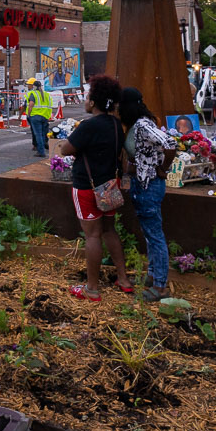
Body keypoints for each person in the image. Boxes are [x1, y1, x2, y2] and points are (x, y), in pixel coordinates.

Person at [63, 74, 132, 301]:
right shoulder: (115, 125)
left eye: (87, 96)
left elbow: (65, 149)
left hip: (87, 187)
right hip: (109, 186)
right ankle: (123, 279)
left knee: (92, 235)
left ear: (93, 102)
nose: (85, 100)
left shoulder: (88, 125)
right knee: (109, 230)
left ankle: (91, 288)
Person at [118, 88, 176, 302]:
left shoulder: (142, 124)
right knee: (150, 234)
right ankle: (153, 276)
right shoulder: (139, 124)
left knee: (155, 236)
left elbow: (170, 143)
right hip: (143, 183)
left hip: (150, 184)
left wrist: (163, 169)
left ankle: (161, 286)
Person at [23, 78, 53, 158]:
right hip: (45, 116)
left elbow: (31, 105)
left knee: (38, 134)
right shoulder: (47, 94)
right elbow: (50, 105)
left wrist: (29, 114)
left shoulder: (34, 94)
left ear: (34, 86)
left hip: (36, 116)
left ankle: (41, 151)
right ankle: (43, 147)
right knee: (43, 134)